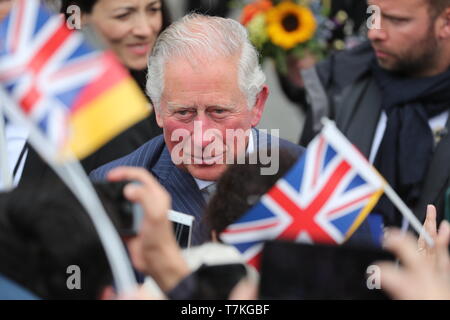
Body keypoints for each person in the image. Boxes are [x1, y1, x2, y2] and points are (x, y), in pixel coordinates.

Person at [90, 13, 305, 246]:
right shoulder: (117, 190)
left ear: (256, 104)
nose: (202, 138)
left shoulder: (305, 179)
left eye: (219, 112)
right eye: (184, 113)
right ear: (158, 110)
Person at [299, 0, 450, 229]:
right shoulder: (337, 85)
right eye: (373, 14)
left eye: (397, 20)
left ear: (446, 22)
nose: (374, 32)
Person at [0, 0, 172, 191]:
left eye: (153, 10)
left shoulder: (157, 104)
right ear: (78, 17)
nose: (145, 29)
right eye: (123, 15)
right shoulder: (44, 98)